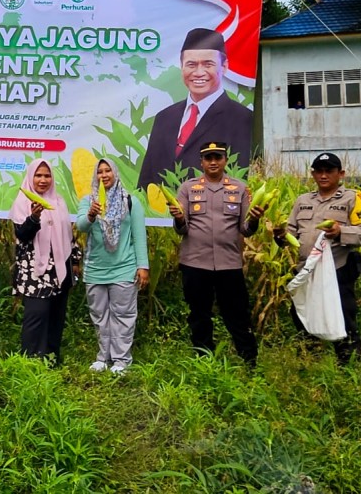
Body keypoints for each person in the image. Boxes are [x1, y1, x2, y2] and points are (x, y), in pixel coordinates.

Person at [168, 142, 264, 367]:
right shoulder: (188, 189)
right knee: (199, 314)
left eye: (217, 157)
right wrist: (179, 218)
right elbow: (181, 229)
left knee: (237, 314)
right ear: (201, 161)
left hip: (228, 264)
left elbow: (246, 229)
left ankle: (249, 361)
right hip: (195, 263)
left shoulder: (239, 189)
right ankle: (204, 360)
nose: (213, 162)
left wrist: (256, 218)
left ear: (225, 160)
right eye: (208, 157)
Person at [274, 152, 361, 365]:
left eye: (329, 171)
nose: (323, 175)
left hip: (337, 270)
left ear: (341, 174)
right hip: (306, 270)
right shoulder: (303, 201)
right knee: (302, 316)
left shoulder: (353, 198)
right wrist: (280, 236)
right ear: (313, 174)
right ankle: (309, 363)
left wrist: (341, 231)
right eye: (318, 171)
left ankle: (348, 368)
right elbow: (291, 232)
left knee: (342, 318)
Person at [137, 28, 253, 190]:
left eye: (208, 64)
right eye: (191, 64)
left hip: (209, 212)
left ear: (224, 66)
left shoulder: (242, 119)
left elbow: (241, 177)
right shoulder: (164, 117)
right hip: (160, 214)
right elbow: (145, 181)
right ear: (182, 67)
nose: (199, 73)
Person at [75, 159, 150, 374]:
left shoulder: (130, 202)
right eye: (99, 172)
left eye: (108, 170)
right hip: (95, 269)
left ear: (115, 173)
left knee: (123, 315)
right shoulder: (88, 201)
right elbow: (81, 226)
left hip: (124, 268)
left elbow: (138, 236)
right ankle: (103, 357)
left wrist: (142, 266)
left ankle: (121, 360)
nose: (104, 175)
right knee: (100, 316)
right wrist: (90, 214)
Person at [11, 158, 80, 364]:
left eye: (47, 175)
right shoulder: (22, 203)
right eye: (38, 175)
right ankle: (31, 362)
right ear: (31, 177)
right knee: (36, 317)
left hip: (59, 271)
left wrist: (75, 260)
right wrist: (34, 217)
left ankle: (51, 360)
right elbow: (22, 236)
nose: (43, 180)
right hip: (34, 272)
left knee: (56, 317)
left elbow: (69, 236)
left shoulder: (58, 202)